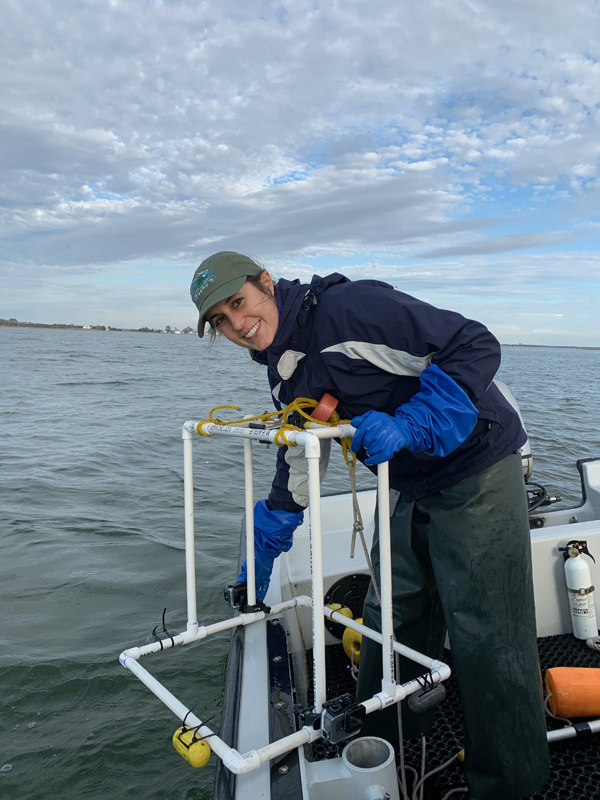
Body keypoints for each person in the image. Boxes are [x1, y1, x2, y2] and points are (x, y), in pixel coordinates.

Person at [190, 250, 550, 800]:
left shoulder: (349, 310)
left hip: (477, 462)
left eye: (238, 303)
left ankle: (510, 785)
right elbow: (308, 438)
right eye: (220, 320)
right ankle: (386, 750)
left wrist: (414, 422)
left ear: (265, 282)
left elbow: (475, 343)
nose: (236, 325)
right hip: (408, 479)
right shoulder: (286, 365)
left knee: (486, 629)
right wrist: (271, 532)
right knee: (389, 611)